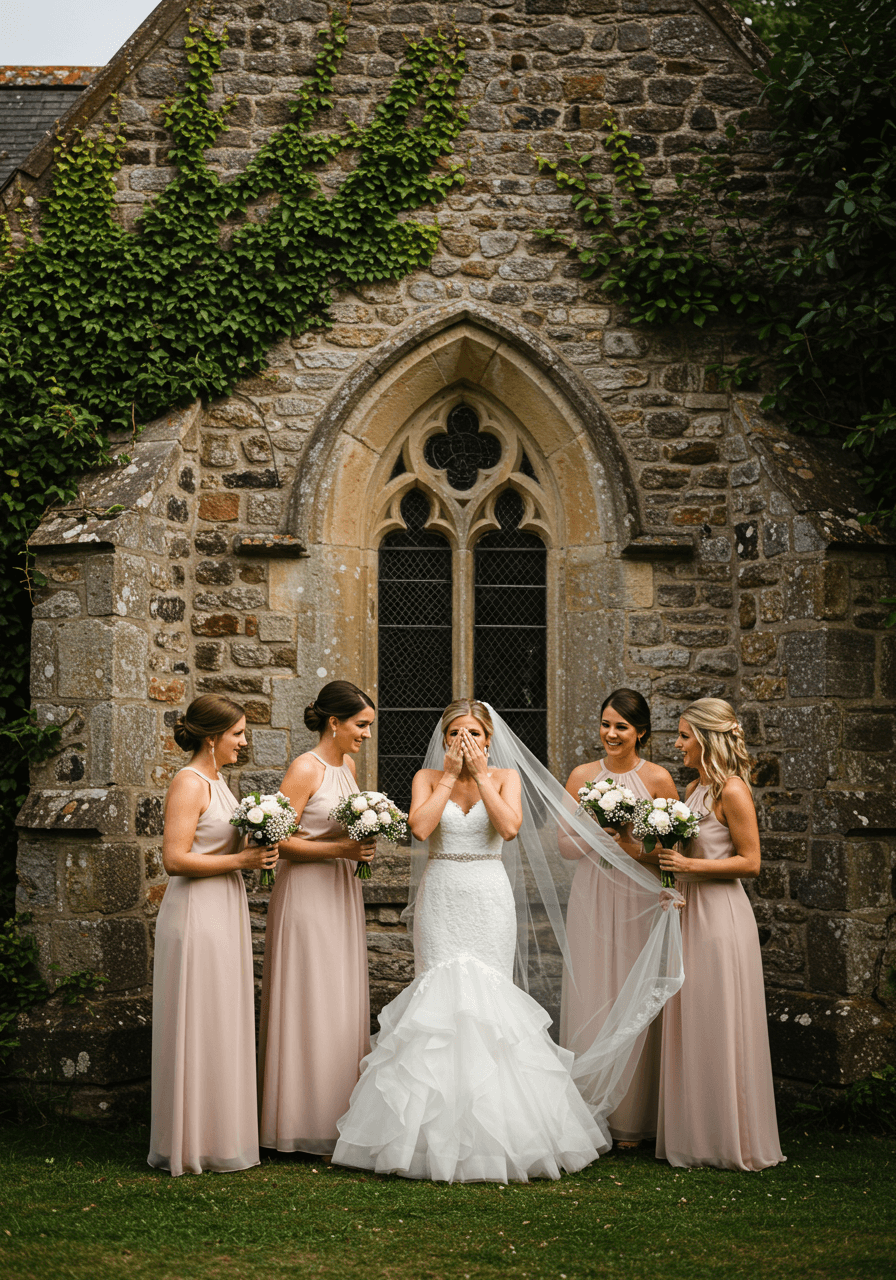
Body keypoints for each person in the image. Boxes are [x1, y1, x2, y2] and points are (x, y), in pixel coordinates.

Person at [333, 699, 613, 1183]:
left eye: (475, 734)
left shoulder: (505, 777)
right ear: (444, 740)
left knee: (490, 1004)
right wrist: (447, 777)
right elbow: (419, 828)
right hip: (442, 893)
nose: (466, 742)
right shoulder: (427, 778)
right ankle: (421, 1141)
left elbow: (509, 827)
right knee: (437, 1001)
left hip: (487, 895)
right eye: (456, 733)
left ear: (489, 739)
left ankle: (502, 1136)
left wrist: (481, 776)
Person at [148, 694, 279, 1176]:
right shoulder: (189, 782)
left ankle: (219, 1136)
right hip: (196, 912)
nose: (244, 742)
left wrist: (261, 838)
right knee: (198, 1017)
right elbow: (175, 859)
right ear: (212, 737)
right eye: (238, 734)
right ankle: (188, 1140)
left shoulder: (221, 782)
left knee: (222, 1017)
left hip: (225, 907)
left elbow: (216, 842)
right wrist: (243, 861)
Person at [655, 697, 784, 1171]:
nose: (678, 743)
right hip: (689, 913)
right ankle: (698, 1136)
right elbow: (679, 854)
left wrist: (691, 866)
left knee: (721, 1018)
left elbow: (750, 862)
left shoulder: (732, 790)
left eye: (685, 735)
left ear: (707, 738)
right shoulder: (694, 788)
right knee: (695, 1018)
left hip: (721, 918)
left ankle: (733, 1138)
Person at [257, 680, 377, 1156]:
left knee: (340, 999)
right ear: (334, 722)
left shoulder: (346, 766)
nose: (366, 735)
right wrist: (341, 848)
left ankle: (340, 1115)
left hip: (340, 892)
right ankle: (297, 1122)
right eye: (360, 725)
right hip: (306, 894)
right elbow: (274, 839)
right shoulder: (305, 768)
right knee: (309, 996)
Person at [560, 689, 679, 1147]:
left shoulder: (659, 779)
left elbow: (670, 851)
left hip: (638, 897)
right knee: (592, 990)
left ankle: (634, 1116)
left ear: (641, 732)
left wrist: (632, 843)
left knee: (634, 991)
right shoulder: (581, 776)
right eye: (606, 724)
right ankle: (590, 1112)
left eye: (622, 727)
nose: (611, 734)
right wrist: (599, 831)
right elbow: (565, 847)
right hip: (592, 893)